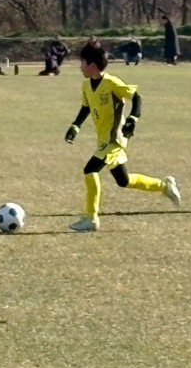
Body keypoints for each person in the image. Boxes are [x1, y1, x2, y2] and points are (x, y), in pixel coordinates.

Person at [63, 38, 181, 232]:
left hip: (114, 139)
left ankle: (91, 218)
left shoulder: (111, 83)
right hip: (103, 139)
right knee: (123, 180)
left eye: (82, 62)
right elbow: (86, 107)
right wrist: (75, 126)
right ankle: (164, 186)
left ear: (91, 65)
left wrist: (133, 118)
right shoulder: (86, 86)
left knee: (90, 170)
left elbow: (137, 97)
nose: (80, 66)